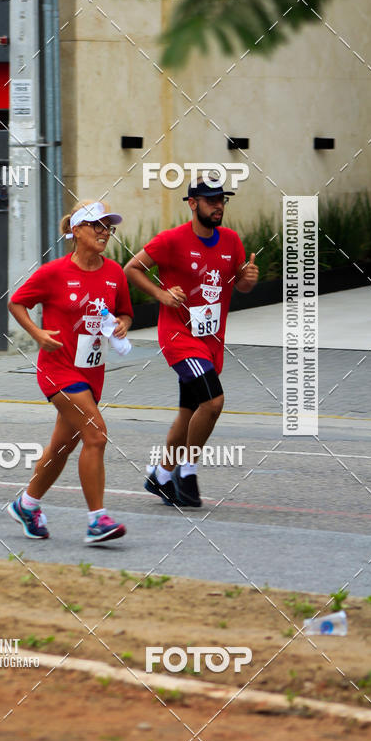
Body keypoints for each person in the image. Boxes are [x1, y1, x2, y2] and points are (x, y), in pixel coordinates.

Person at [124, 179, 258, 508]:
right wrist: (162, 294)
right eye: (211, 201)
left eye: (222, 200)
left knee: (190, 414)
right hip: (179, 338)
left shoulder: (231, 241)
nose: (219, 206)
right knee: (213, 403)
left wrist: (248, 279)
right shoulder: (172, 240)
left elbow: (240, 284)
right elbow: (132, 268)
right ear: (192, 203)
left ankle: (161, 475)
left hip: (210, 340)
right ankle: (187, 470)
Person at [7, 200, 134, 544]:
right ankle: (97, 520)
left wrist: (121, 325)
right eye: (97, 225)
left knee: (62, 447)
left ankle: (27, 504)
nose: (104, 232)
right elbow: (16, 301)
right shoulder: (54, 273)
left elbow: (124, 313)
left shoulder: (115, 273)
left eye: (108, 226)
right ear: (76, 230)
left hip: (93, 373)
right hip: (58, 370)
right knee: (96, 434)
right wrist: (37, 334)